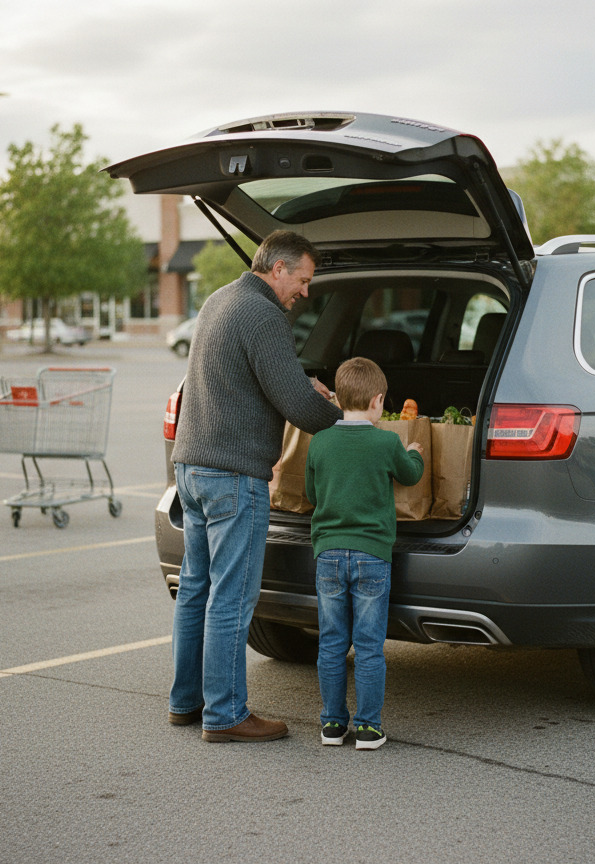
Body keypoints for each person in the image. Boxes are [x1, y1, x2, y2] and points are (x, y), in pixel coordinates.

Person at [169, 230, 342, 743]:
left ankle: (187, 702)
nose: (305, 293)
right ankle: (225, 715)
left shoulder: (221, 299)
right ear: (279, 268)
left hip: (192, 469)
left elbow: (246, 381)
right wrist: (352, 421)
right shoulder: (263, 314)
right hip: (232, 476)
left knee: (196, 591)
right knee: (232, 596)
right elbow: (300, 406)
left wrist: (298, 382)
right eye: (304, 281)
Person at [305, 357, 424, 750]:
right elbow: (410, 475)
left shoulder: (320, 441)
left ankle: (332, 725)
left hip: (328, 556)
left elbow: (311, 494)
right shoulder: (387, 441)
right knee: (370, 645)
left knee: (332, 642)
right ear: (378, 401)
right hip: (373, 555)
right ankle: (369, 728)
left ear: (338, 398)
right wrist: (416, 452)